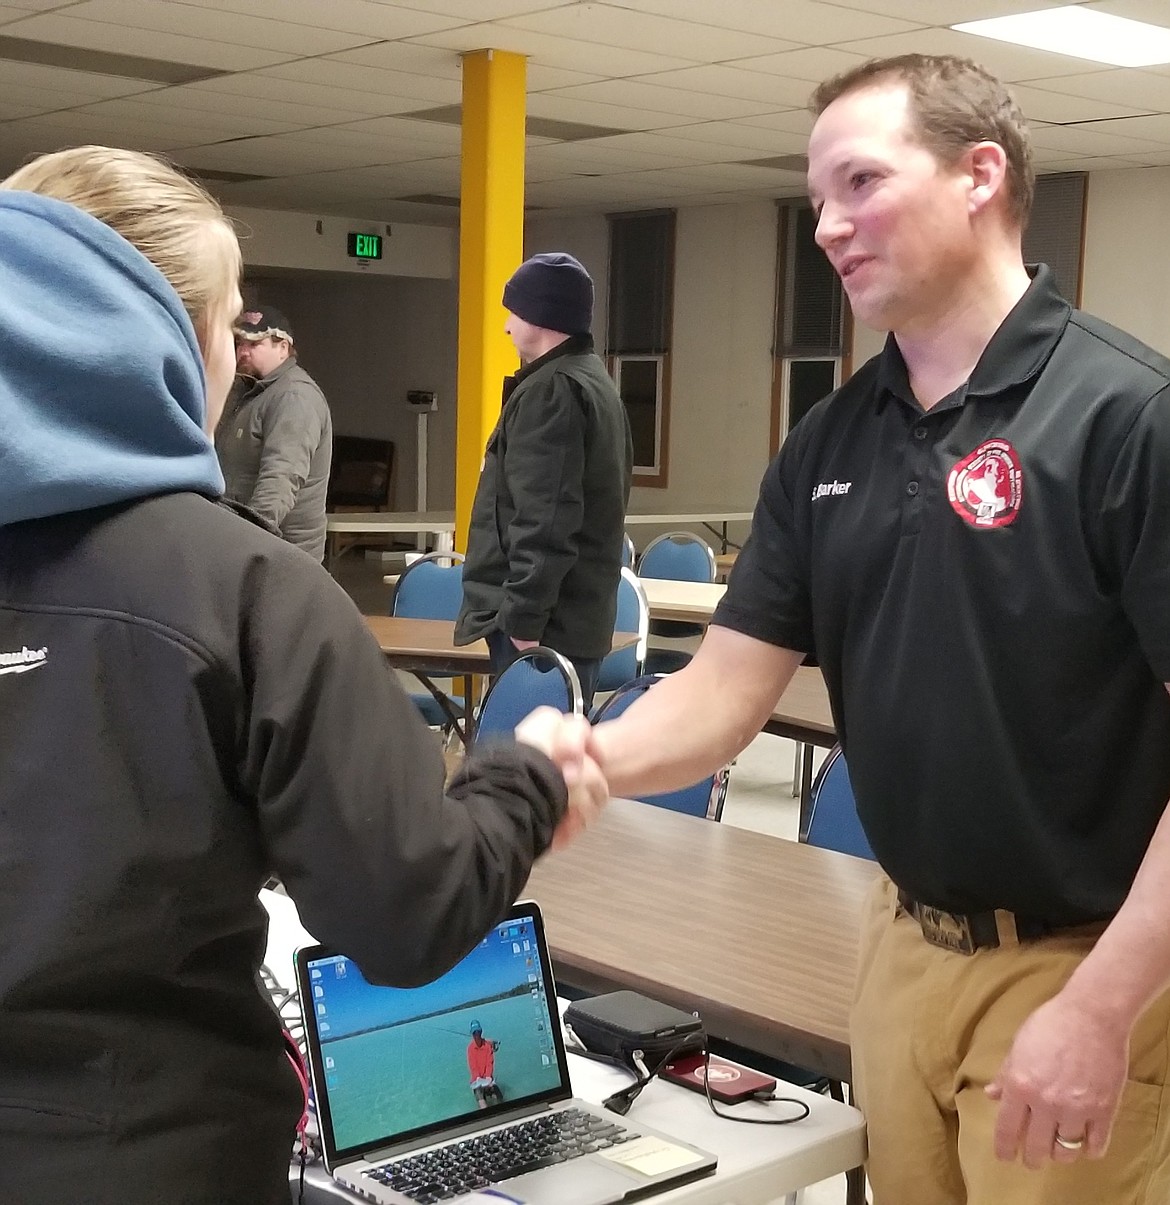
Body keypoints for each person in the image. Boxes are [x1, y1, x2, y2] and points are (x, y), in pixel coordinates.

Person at [535, 53, 1170, 1205]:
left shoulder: (1129, 416)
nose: (826, 225)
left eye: (860, 183)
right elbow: (726, 692)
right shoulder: (833, 438)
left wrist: (1104, 1005)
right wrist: (591, 756)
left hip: (1085, 960)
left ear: (981, 176)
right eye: (816, 196)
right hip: (900, 943)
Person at [0, 145, 609, 1205]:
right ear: (166, 336)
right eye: (227, 323)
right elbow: (405, 912)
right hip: (153, 1155)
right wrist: (527, 776)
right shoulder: (246, 592)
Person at [456, 252, 633, 710]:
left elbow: (545, 519)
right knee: (553, 770)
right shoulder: (592, 381)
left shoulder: (553, 390)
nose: (507, 326)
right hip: (572, 621)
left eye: (514, 312)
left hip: (543, 631)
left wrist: (523, 621)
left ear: (541, 314)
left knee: (530, 772)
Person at [215, 305, 333, 561]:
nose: (243, 352)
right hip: (250, 544)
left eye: (255, 344)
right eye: (240, 343)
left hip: (282, 555)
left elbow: (281, 479)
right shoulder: (248, 392)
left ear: (283, 348)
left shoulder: (294, 397)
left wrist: (252, 541)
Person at [467, 1020, 503, 1108]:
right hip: (477, 1080)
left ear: (481, 1032)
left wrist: (488, 1077)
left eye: (478, 1032)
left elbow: (489, 1063)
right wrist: (477, 1078)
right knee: (482, 1104)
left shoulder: (487, 1046)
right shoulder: (470, 1048)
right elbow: (473, 1066)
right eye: (474, 1033)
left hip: (488, 1079)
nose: (476, 1035)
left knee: (500, 1099)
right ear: (472, 1034)